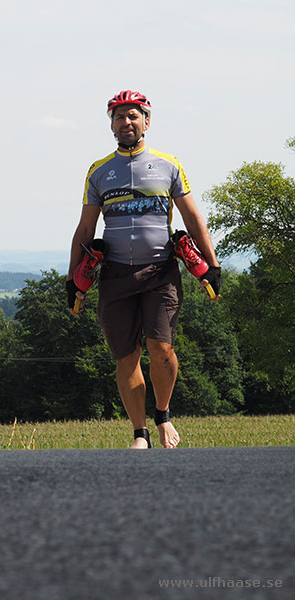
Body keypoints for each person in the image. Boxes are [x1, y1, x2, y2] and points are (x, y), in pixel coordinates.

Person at [67, 90, 221, 449]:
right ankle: (140, 433)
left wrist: (212, 264)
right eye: (119, 117)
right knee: (126, 356)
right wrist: (72, 278)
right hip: (116, 274)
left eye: (133, 116)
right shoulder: (99, 171)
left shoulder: (169, 165)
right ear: (112, 124)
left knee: (161, 348)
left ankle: (163, 415)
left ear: (146, 122)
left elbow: (192, 217)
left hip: (161, 271)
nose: (127, 122)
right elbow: (86, 229)